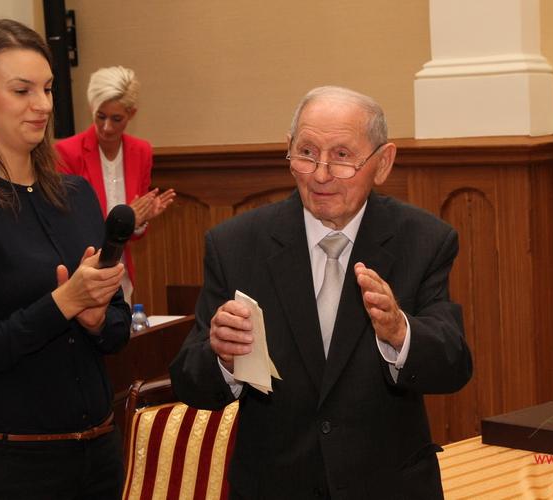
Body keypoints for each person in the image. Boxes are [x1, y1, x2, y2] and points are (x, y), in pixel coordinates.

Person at [170, 86, 473, 499]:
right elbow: (189, 382)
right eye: (307, 153)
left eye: (342, 156)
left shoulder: (423, 240)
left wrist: (400, 333)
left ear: (383, 163)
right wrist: (222, 357)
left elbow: (453, 365)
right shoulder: (236, 245)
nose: (321, 174)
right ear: (288, 150)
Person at [0, 18, 130, 500]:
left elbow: (117, 328)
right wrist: (63, 303)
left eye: (47, 89)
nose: (43, 105)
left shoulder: (76, 194)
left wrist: (96, 320)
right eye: (22, 90)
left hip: (99, 454)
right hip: (8, 469)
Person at [55, 65, 175, 304]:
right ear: (92, 108)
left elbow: (133, 235)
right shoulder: (67, 152)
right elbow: (69, 227)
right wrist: (126, 221)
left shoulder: (141, 151)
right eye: (100, 116)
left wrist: (139, 222)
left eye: (117, 119)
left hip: (121, 277)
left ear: (131, 114)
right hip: (82, 275)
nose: (107, 127)